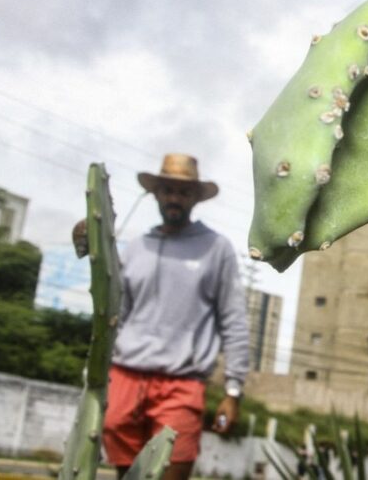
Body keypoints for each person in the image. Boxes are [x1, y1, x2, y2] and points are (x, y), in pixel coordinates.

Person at [85, 154, 249, 480]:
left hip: (181, 382)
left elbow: (234, 321)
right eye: (168, 190)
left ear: (195, 199)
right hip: (125, 377)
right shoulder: (137, 247)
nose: (175, 198)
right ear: (156, 193)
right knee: (126, 473)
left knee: (171, 468)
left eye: (183, 192)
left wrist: (233, 391)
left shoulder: (216, 248)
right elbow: (116, 314)